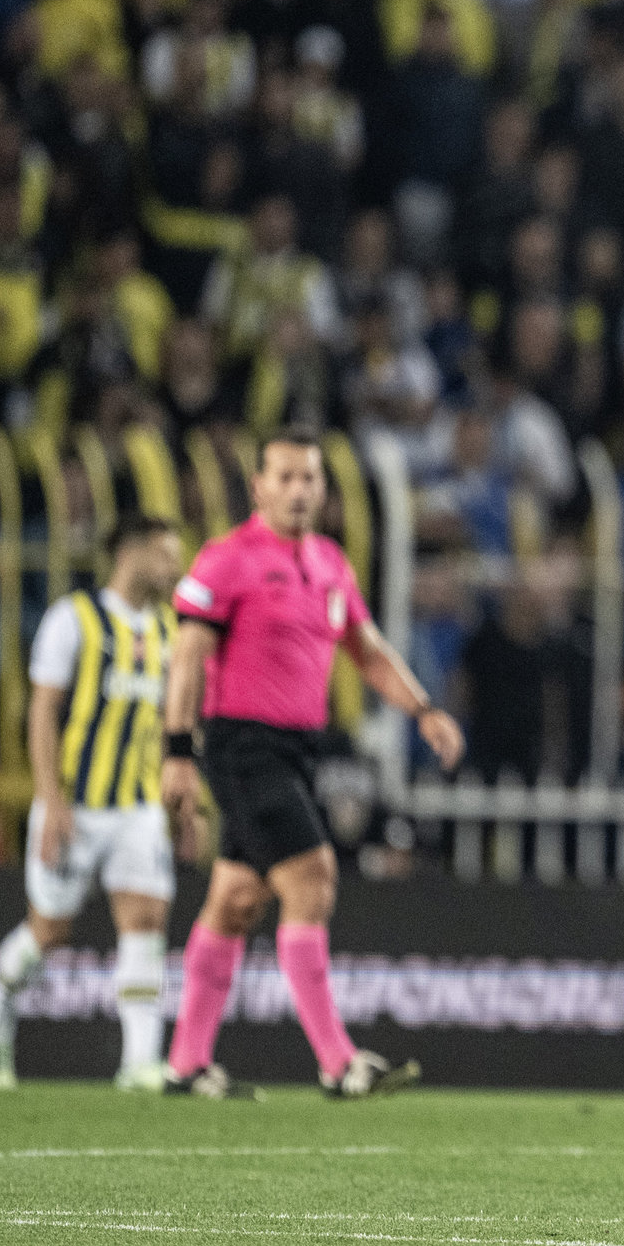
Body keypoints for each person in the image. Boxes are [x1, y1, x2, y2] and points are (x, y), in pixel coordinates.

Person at [160, 428, 465, 1100]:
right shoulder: (226, 559)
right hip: (241, 743)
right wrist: (177, 752)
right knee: (312, 877)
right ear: (259, 486)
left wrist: (424, 711)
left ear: (324, 490)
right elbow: (186, 659)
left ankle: (185, 1063)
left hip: (299, 749)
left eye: (311, 480)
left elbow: (368, 648)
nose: (299, 491)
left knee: (236, 898)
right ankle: (338, 1062)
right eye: (286, 478)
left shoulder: (329, 562)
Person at [0, 517, 188, 1091]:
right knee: (49, 930)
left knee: (145, 921)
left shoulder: (171, 629)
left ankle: (140, 1061)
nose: (175, 568)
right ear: (131, 553)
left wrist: (177, 805)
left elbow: (173, 722)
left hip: (139, 806)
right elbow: (42, 712)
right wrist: (51, 802)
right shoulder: (74, 619)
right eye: (166, 555)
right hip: (76, 802)